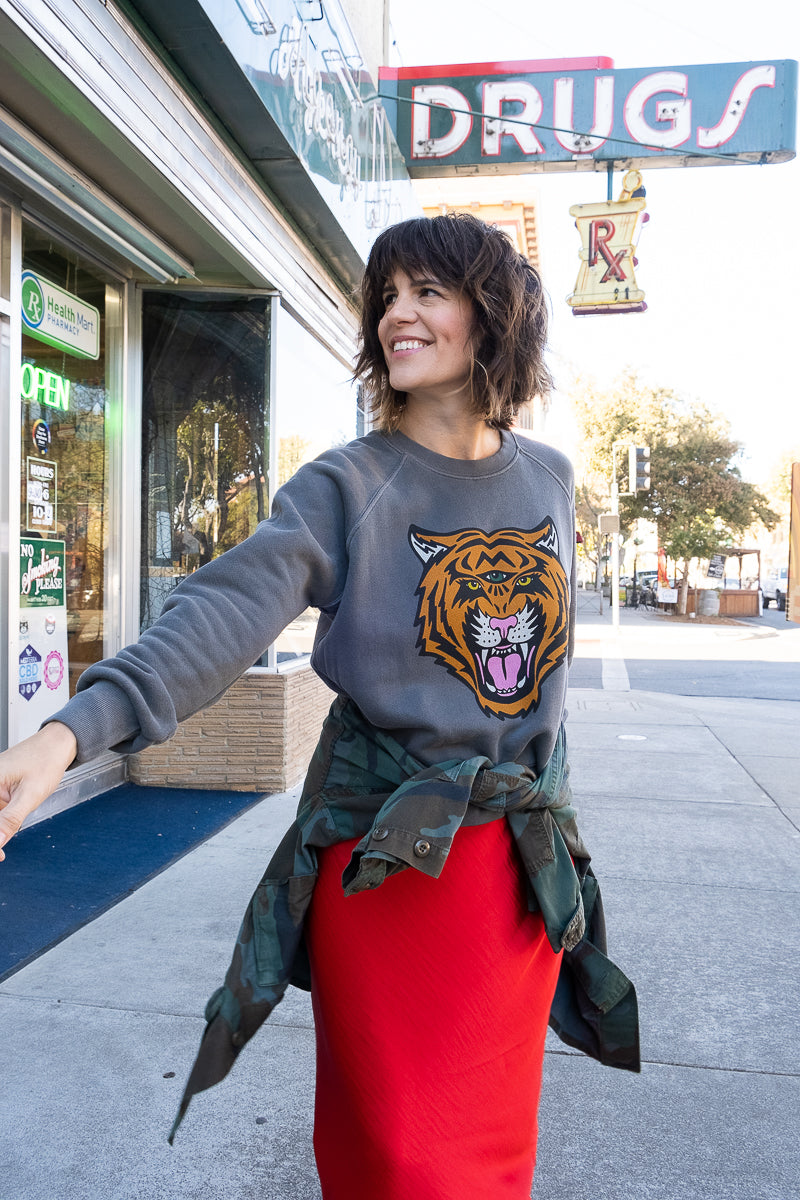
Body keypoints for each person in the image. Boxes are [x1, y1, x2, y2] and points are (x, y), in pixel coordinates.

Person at [0, 214, 638, 1199]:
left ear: (493, 314)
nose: (397, 314)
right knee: (393, 1153)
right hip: (386, 865)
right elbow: (223, 609)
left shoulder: (546, 476)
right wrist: (67, 734)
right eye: (387, 296)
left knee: (489, 1153)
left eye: (427, 291)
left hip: (512, 873)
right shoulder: (347, 482)